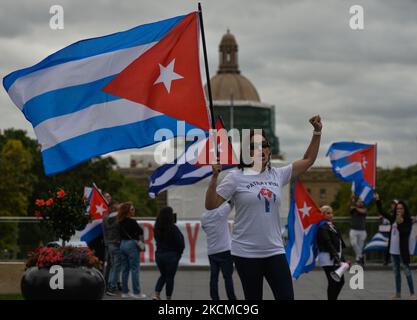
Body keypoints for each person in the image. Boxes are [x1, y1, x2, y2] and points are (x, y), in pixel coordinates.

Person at [205, 115, 323, 300]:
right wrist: (213, 179)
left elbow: (308, 160)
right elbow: (211, 205)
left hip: (274, 251)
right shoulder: (236, 177)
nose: (261, 149)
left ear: (269, 150)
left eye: (265, 145)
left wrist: (317, 132)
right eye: (254, 146)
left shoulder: (278, 174)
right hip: (245, 253)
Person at [374, 193, 416, 300]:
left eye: (401, 208)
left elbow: (405, 233)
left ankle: (412, 293)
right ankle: (398, 294)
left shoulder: (407, 220)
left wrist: (400, 223)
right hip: (393, 251)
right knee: (396, 273)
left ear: (404, 209)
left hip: (402, 251)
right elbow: (382, 212)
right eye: (397, 208)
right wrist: (378, 200)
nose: (399, 210)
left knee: (407, 271)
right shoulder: (393, 218)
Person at [201, 201, 237, 300]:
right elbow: (232, 202)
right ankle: (232, 298)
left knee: (214, 278)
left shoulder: (203, 217)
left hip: (212, 251)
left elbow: (204, 228)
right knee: (228, 277)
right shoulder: (221, 212)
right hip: (225, 250)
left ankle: (215, 298)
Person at [153, 207, 184, 300]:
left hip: (159, 255)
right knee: (170, 277)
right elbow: (181, 243)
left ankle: (156, 294)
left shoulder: (157, 228)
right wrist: (179, 254)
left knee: (163, 275)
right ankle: (168, 297)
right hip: (171, 256)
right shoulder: (173, 228)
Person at [316, 205, 347, 300]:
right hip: (328, 257)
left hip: (335, 256)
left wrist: (341, 258)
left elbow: (339, 243)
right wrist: (336, 257)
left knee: (339, 281)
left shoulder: (331, 225)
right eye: (328, 213)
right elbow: (328, 243)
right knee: (334, 281)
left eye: (331, 213)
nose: (331, 215)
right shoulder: (322, 227)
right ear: (322, 214)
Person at [118, 202, 147, 299]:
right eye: (132, 209)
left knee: (125, 269)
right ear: (127, 211)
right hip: (131, 244)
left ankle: (125, 292)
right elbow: (140, 231)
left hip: (122, 244)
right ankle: (137, 292)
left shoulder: (120, 222)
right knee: (135, 269)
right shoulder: (132, 222)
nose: (134, 211)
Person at [102, 200, 121, 296]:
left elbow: (105, 231)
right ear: (112, 207)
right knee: (114, 265)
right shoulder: (112, 217)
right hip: (113, 243)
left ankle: (108, 283)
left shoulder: (107, 217)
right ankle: (111, 285)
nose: (117, 207)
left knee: (110, 264)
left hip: (109, 243)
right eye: (116, 206)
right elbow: (108, 229)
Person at [348, 194, 367, 265]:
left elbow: (363, 212)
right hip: (353, 230)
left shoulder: (364, 208)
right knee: (354, 243)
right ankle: (361, 257)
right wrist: (351, 199)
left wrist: (355, 207)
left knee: (360, 246)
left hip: (362, 230)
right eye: (358, 201)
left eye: (361, 202)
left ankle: (358, 259)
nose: (360, 203)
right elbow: (348, 206)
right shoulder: (352, 209)